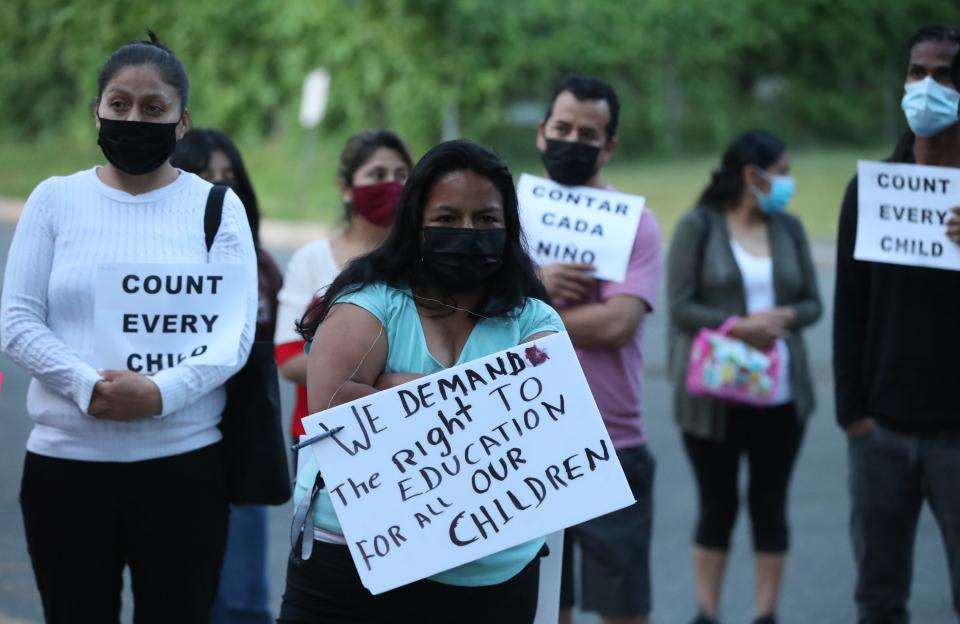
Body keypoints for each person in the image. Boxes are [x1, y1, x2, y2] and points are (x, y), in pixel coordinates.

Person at [0, 32, 258, 623]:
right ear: (96, 110)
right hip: (65, 469)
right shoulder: (53, 201)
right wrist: (87, 386)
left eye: (153, 107)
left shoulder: (217, 208)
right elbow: (17, 322)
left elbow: (234, 335)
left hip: (183, 468)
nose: (133, 118)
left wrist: (160, 394)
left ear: (182, 120)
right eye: (118, 104)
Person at [278, 140, 563, 624]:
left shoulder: (535, 320)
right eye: (447, 219)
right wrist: (485, 399)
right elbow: (332, 408)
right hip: (355, 567)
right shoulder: (370, 302)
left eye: (486, 220)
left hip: (495, 579)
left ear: (508, 228)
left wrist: (390, 386)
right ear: (415, 224)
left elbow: (548, 425)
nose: (468, 232)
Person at [667, 130, 821, 624]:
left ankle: (765, 613)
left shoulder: (790, 229)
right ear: (752, 176)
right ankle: (707, 612)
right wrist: (737, 326)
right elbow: (680, 306)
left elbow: (814, 302)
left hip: (781, 397)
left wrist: (784, 319)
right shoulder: (699, 225)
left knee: (770, 506)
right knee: (717, 506)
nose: (787, 183)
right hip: (712, 398)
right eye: (782, 172)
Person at [834, 25, 960, 623]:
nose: (928, 87)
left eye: (945, 74)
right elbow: (851, 307)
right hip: (879, 432)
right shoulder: (870, 191)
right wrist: (851, 413)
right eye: (917, 72)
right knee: (879, 598)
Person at [535, 75, 662, 624]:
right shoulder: (505, 218)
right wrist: (537, 285)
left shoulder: (637, 225)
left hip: (614, 440)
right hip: (526, 440)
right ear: (541, 134)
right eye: (562, 128)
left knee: (623, 609)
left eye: (589, 133)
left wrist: (526, 308)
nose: (572, 140)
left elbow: (617, 323)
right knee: (542, 608)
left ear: (609, 147)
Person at [171, 128, 282, 624]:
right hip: (173, 440)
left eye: (230, 177)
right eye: (204, 176)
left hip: (243, 445)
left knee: (242, 602)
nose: (220, 188)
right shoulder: (155, 265)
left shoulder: (264, 270)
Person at [274, 130, 413, 444]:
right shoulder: (311, 260)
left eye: (402, 175)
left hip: (407, 436)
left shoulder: (424, 263)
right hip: (325, 437)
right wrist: (386, 381)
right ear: (346, 189)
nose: (392, 185)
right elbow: (289, 360)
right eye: (377, 174)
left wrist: (349, 375)